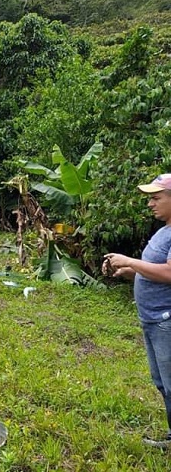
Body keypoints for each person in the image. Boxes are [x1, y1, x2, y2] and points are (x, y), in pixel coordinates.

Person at [105, 173, 171, 448]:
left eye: (156, 198)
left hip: (166, 320)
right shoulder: (164, 231)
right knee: (162, 383)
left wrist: (130, 260)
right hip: (152, 319)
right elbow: (153, 272)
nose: (150, 204)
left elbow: (169, 273)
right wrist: (127, 271)